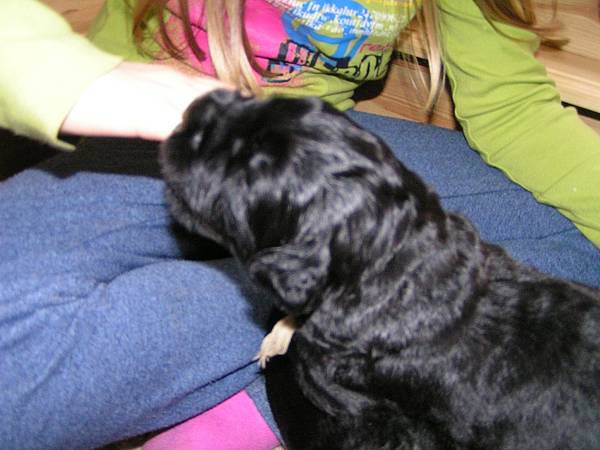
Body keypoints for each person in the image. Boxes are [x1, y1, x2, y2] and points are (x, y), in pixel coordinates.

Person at [0, 1, 598, 449]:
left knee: (580, 254)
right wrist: (83, 81)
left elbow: (512, 108)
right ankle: (300, 344)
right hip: (147, 130)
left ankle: (256, 399)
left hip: (322, 152)